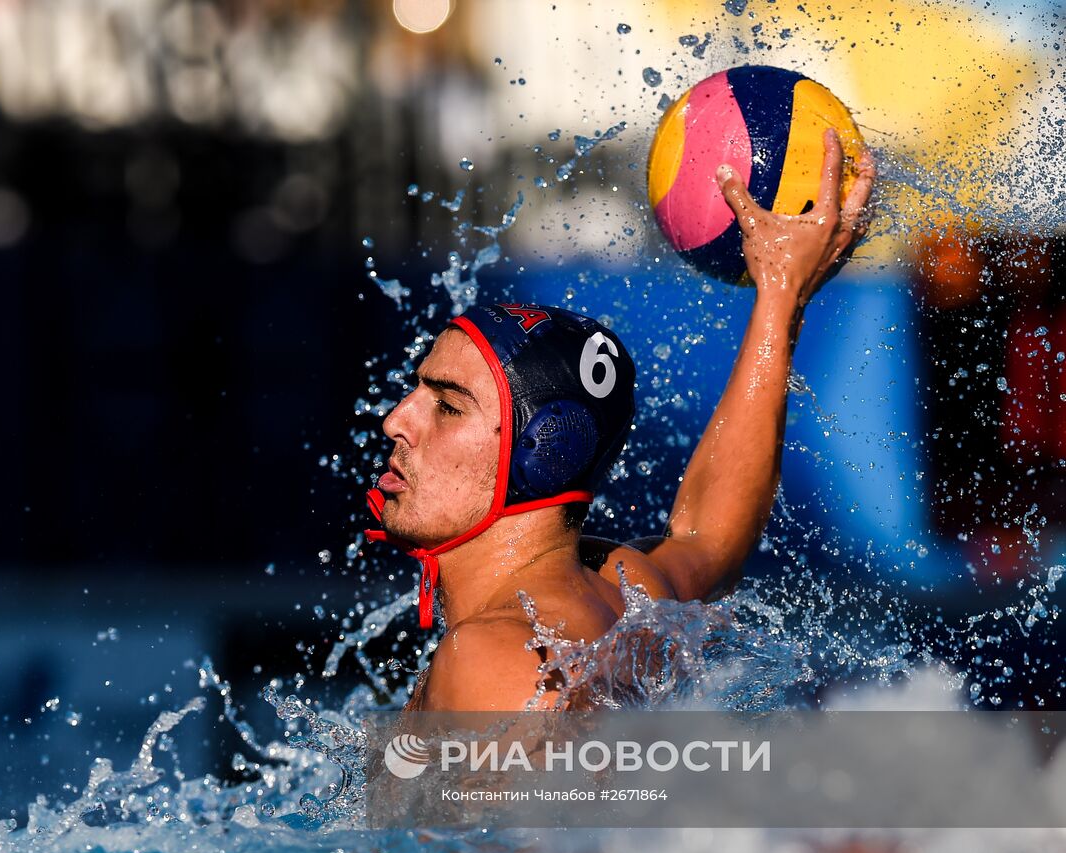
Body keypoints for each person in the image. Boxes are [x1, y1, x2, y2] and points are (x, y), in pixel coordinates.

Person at [366, 130, 876, 711]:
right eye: (416, 390)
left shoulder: (492, 657)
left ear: (544, 450)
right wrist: (782, 294)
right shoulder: (628, 590)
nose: (395, 420)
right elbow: (708, 538)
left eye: (448, 404)